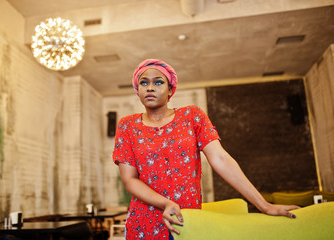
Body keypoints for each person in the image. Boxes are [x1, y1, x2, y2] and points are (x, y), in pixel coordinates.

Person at [112, 59, 300, 240]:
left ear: (171, 90)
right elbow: (129, 180)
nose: (150, 87)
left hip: (187, 220)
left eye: (158, 82)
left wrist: (264, 205)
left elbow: (221, 159)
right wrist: (165, 203)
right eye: (143, 83)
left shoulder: (192, 116)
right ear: (138, 90)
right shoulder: (127, 126)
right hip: (144, 224)